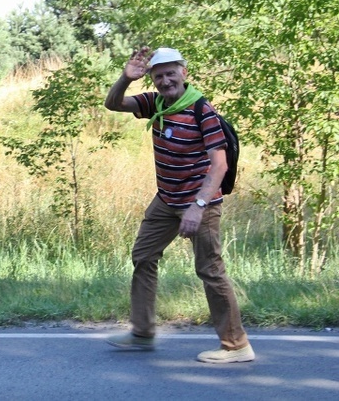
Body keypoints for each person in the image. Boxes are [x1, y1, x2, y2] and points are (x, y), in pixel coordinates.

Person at [103, 47, 255, 364]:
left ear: (184, 72)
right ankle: (142, 334)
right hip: (167, 199)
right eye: (158, 75)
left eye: (171, 73)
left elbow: (219, 166)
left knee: (210, 271)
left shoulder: (202, 112)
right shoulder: (154, 103)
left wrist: (198, 206)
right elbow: (113, 103)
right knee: (143, 255)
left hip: (201, 201)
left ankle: (236, 345)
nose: (165, 80)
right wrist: (125, 78)